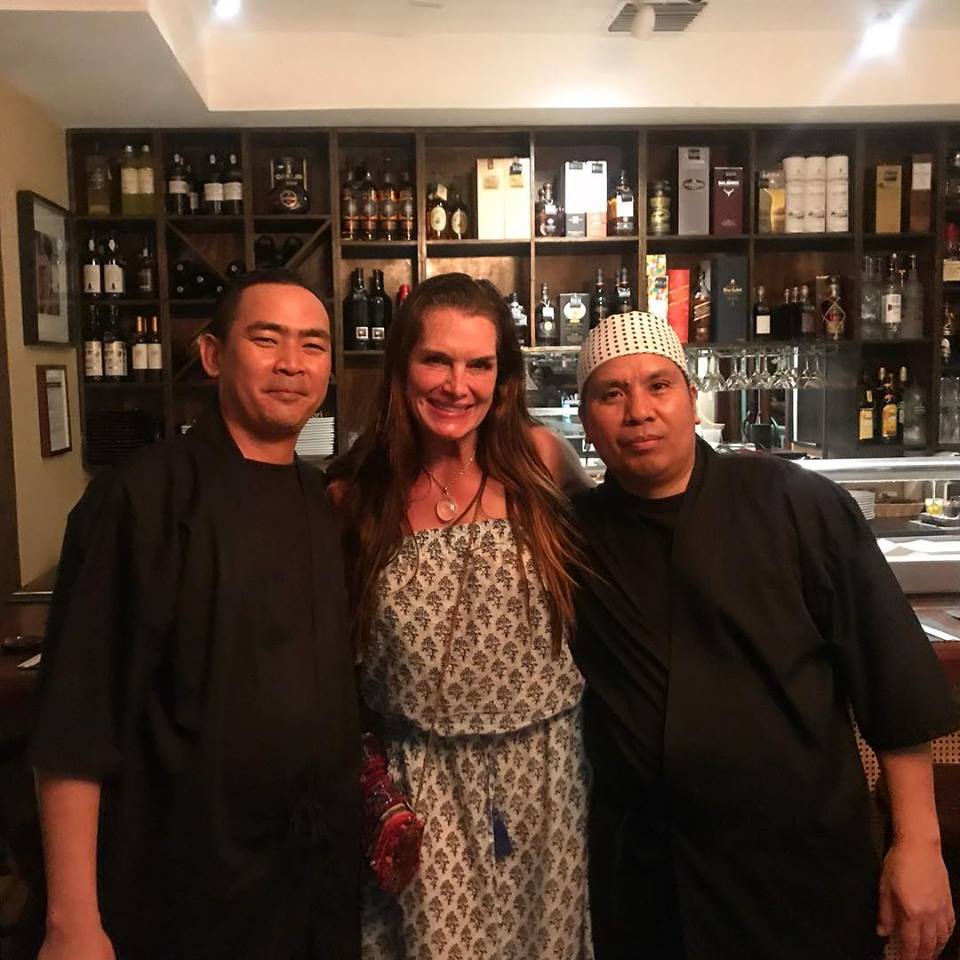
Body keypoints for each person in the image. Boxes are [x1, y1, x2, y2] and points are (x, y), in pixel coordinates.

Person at [572, 310, 960, 960]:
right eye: (612, 394)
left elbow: (892, 685)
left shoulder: (796, 503)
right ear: (586, 419)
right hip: (648, 885)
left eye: (658, 385)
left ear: (691, 398)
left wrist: (918, 845)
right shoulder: (572, 535)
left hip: (801, 873)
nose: (639, 411)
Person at [30, 269, 360, 960]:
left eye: (312, 345)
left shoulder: (320, 498)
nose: (292, 363)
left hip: (310, 881)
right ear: (213, 355)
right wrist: (71, 922)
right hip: (185, 883)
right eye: (266, 339)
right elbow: (75, 718)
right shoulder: (142, 497)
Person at [327, 272, 593, 959]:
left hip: (547, 775)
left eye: (479, 364)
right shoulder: (356, 495)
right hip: (422, 782)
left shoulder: (541, 461)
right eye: (436, 360)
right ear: (401, 366)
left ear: (502, 377)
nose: (457, 385)